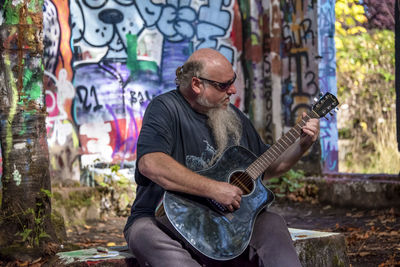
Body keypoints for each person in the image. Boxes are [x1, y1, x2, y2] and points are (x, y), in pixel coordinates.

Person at [124, 48, 320, 267]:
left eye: (233, 81)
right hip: (161, 219)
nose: (233, 90)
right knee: (143, 233)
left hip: (225, 223)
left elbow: (268, 167)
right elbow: (151, 164)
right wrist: (213, 189)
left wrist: (302, 146)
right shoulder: (165, 108)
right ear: (197, 84)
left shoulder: (232, 116)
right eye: (224, 85)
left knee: (272, 223)